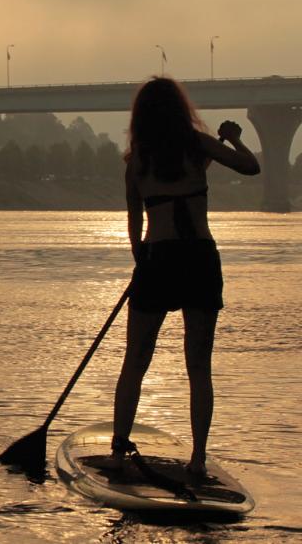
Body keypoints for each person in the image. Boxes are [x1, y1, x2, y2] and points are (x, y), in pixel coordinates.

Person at [112, 76, 260, 480]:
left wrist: (140, 260)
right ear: (180, 110)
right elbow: (251, 166)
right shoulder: (197, 147)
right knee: (199, 364)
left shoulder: (137, 161)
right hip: (199, 259)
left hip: (157, 258)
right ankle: (197, 458)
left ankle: (117, 453)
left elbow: (134, 221)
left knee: (135, 362)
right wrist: (231, 139)